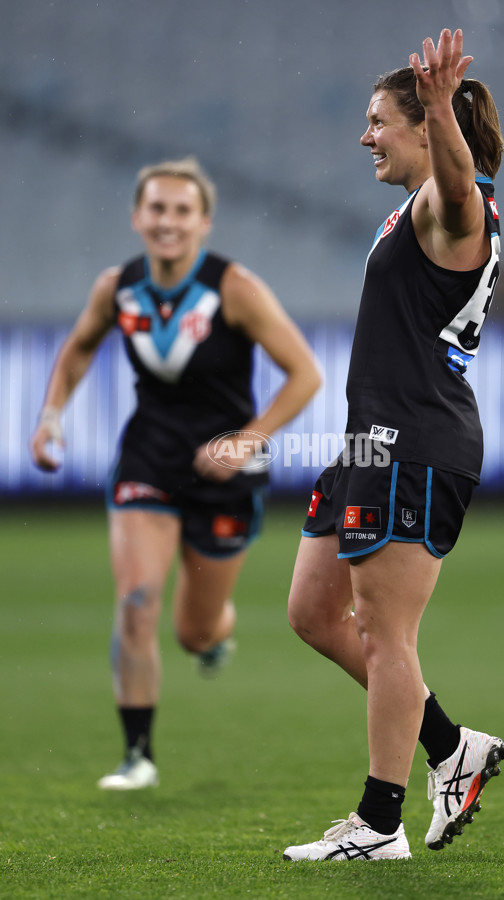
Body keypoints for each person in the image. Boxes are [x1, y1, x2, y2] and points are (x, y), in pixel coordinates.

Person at [284, 28, 504, 861]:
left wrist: (443, 105)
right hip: (369, 444)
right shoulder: (410, 208)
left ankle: (380, 823)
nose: (367, 136)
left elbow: (458, 192)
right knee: (314, 612)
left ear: (423, 127)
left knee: (384, 632)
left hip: (415, 440)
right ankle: (453, 747)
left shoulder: (458, 202)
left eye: (378, 120)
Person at [30, 156, 321, 790]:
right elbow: (79, 345)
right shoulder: (117, 287)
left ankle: (217, 634)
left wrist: (246, 442)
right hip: (148, 460)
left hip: (224, 476)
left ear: (204, 222)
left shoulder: (235, 288)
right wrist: (52, 414)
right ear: (138, 217)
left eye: (182, 210)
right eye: (156, 209)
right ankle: (137, 755)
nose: (168, 221)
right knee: (136, 601)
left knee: (193, 632)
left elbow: (306, 373)